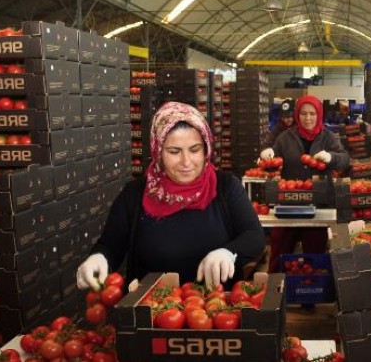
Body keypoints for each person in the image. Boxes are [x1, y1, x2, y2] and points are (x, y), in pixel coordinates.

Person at [76, 102, 266, 291]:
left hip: (217, 308)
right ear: (158, 151)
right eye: (174, 151)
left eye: (194, 150)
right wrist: (98, 258)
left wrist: (228, 252)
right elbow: (110, 245)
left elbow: (254, 236)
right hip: (151, 309)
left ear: (206, 149)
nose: (186, 162)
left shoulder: (226, 187)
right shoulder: (135, 194)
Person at [259, 95, 349, 274]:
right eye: (303, 113)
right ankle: (275, 293)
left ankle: (309, 296)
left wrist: (332, 158)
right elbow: (274, 157)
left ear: (319, 115)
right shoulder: (285, 137)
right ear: (297, 115)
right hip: (288, 204)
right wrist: (267, 155)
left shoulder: (328, 137)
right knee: (279, 248)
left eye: (313, 113)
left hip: (319, 205)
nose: (308, 118)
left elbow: (345, 159)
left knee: (314, 256)